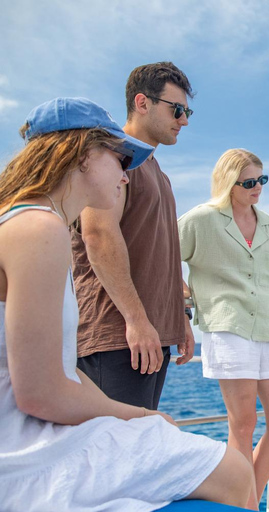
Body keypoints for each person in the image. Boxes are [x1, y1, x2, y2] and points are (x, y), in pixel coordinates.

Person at [0, 97, 254, 510]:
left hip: (29, 427)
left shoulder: (37, 225)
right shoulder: (37, 229)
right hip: (22, 446)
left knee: (226, 468)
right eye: (121, 159)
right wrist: (136, 416)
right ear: (82, 154)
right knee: (234, 472)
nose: (125, 174)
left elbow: (58, 370)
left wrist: (131, 416)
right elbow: (38, 393)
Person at [177, 149, 269, 508]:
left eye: (262, 180)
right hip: (227, 329)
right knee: (242, 425)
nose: (258, 187)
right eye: (249, 182)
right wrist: (187, 298)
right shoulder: (200, 219)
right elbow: (163, 258)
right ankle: (245, 506)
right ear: (229, 183)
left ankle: (245, 502)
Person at [72, 62, 196, 410]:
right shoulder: (112, 155)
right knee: (111, 456)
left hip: (151, 336)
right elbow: (97, 235)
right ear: (142, 103)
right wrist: (136, 320)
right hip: (117, 336)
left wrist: (178, 317)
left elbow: (162, 253)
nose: (184, 120)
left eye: (187, 111)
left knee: (135, 454)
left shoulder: (158, 172)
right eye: (177, 109)